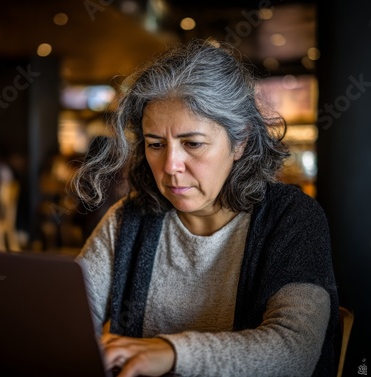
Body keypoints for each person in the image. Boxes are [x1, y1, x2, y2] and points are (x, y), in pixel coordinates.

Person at [72, 40, 339, 377]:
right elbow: (68, 321)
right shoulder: (129, 219)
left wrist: (172, 352)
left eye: (192, 143)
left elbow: (294, 352)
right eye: (155, 144)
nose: (170, 166)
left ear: (240, 140)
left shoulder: (290, 218)